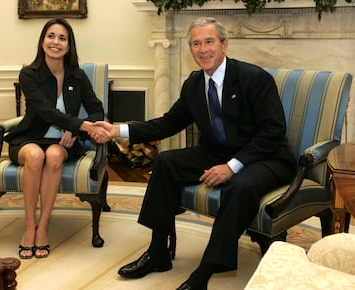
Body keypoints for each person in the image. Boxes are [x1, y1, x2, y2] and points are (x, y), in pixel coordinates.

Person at [93, 17, 297, 289]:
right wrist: (117, 131)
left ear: (224, 44)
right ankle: (158, 252)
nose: (203, 49)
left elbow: (273, 133)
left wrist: (232, 166)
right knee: (166, 161)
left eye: (209, 41)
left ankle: (204, 272)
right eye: (196, 44)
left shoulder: (254, 78)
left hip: (266, 156)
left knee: (240, 186)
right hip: (219, 152)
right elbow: (167, 123)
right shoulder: (194, 84)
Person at [4, 18, 107, 259]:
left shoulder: (77, 76)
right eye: (51, 36)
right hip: (29, 138)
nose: (56, 42)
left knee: (52, 155)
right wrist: (78, 124)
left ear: (69, 46)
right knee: (36, 155)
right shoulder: (29, 74)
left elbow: (97, 110)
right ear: (42, 42)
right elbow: (45, 112)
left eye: (62, 38)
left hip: (62, 143)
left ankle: (43, 226)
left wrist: (75, 131)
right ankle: (30, 226)